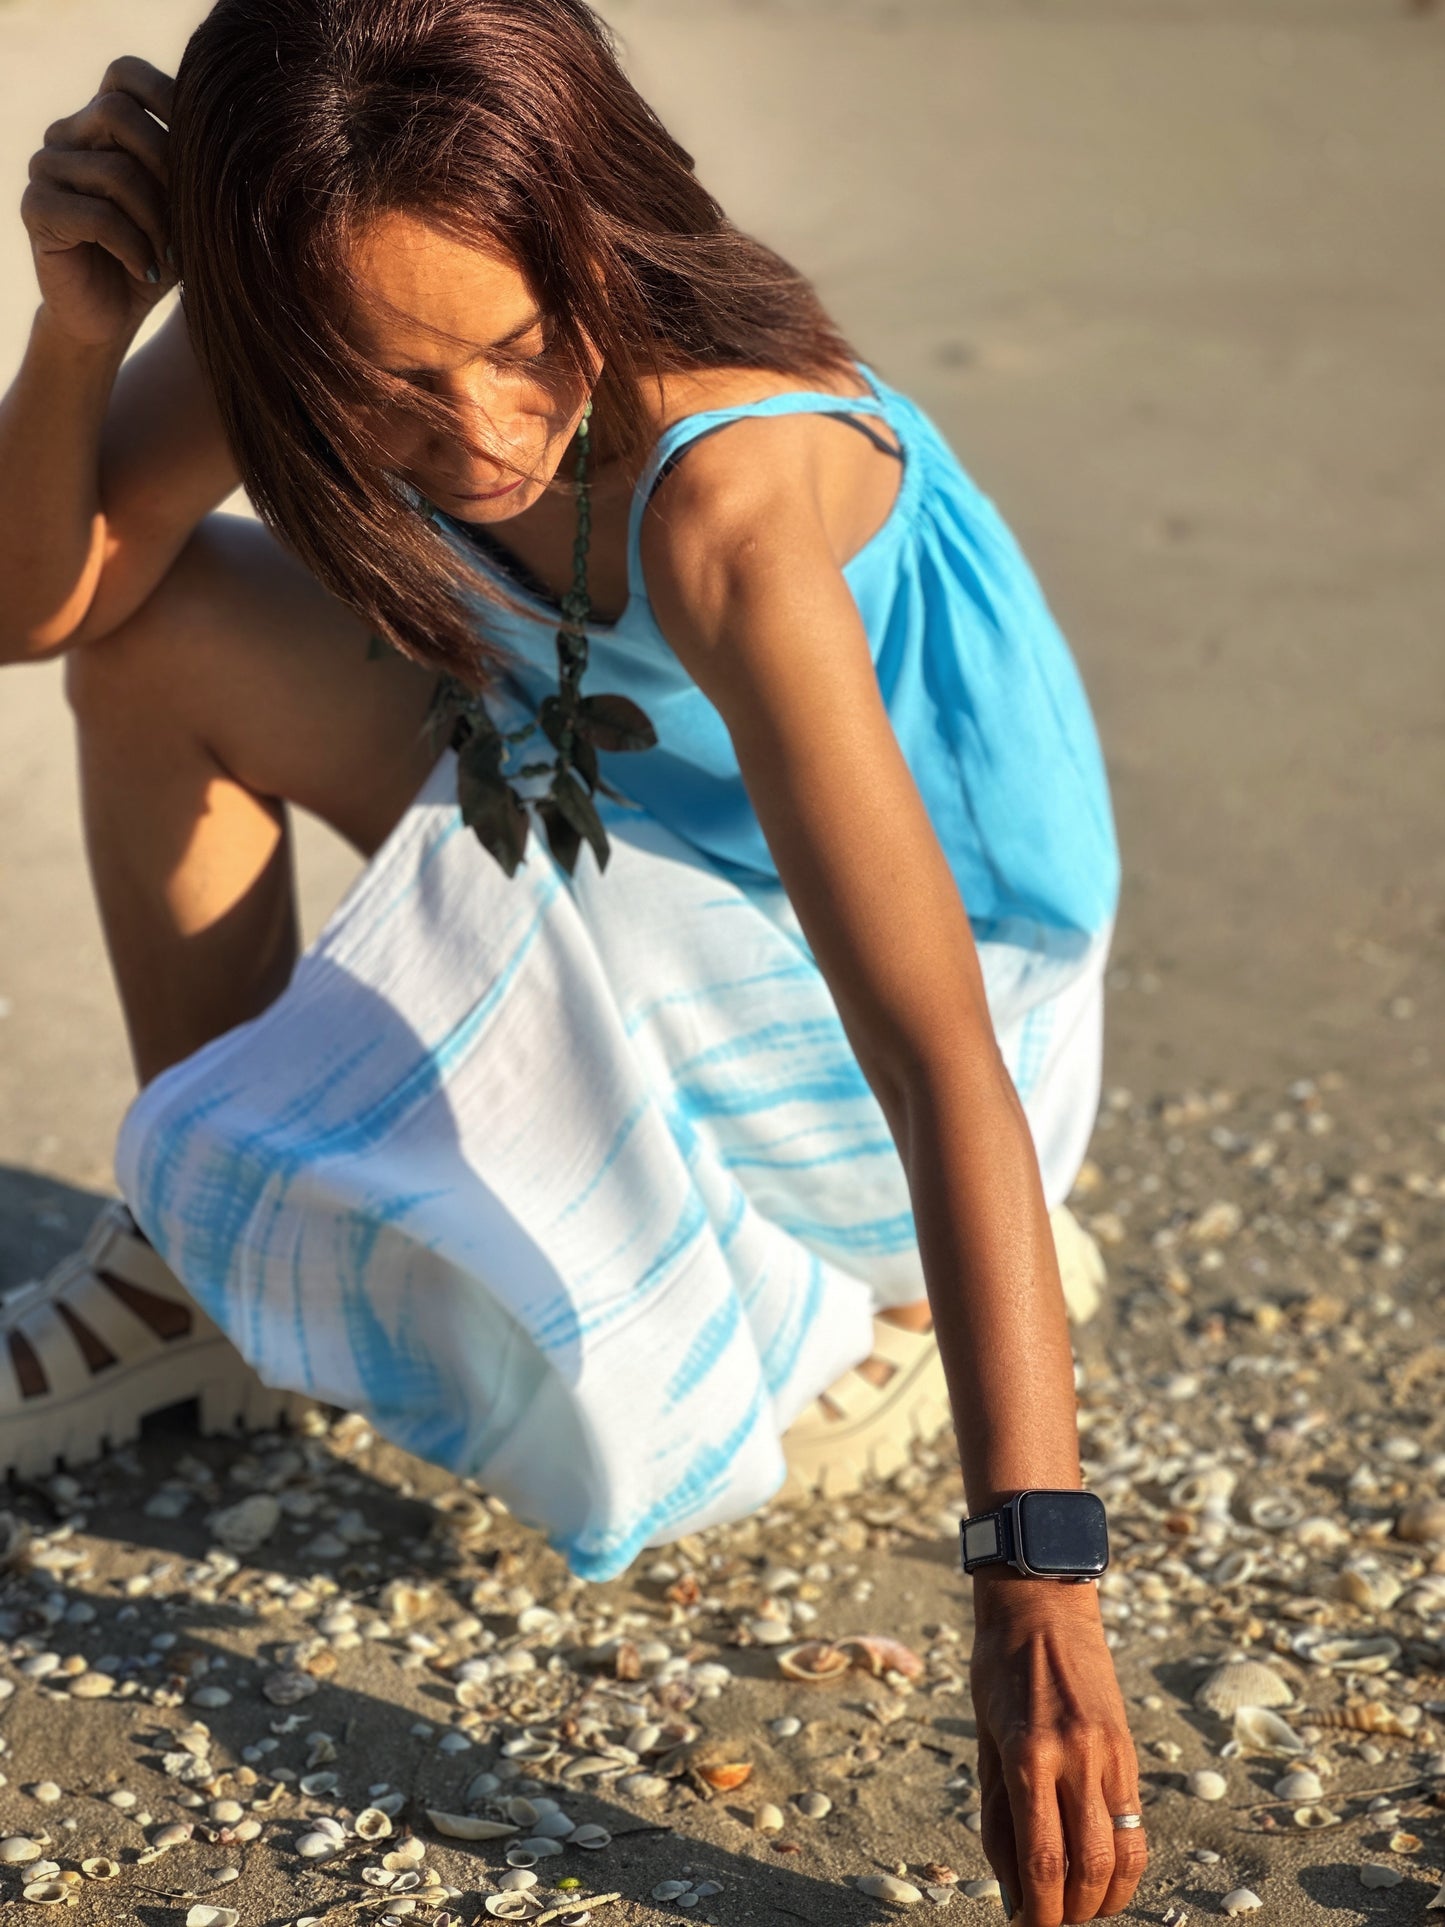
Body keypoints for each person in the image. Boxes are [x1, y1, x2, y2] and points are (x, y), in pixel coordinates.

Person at [0, 1, 1146, 1917]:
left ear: (581, 222)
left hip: (925, 1037)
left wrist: (1036, 1583)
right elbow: (38, 611)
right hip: (617, 836)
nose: (480, 434)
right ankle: (207, 1272)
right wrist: (79, 323)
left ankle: (886, 1302)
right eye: (384, 391)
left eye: (521, 345)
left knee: (487, 995)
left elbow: (936, 1046)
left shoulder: (725, 490)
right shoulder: (332, 294)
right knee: (159, 646)